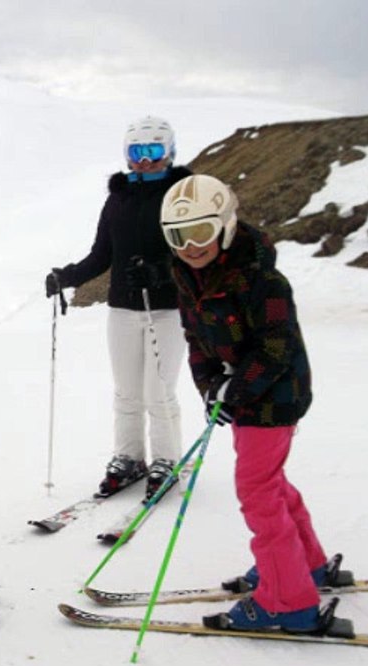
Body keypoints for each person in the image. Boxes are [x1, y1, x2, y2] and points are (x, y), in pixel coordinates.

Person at [160, 173, 335, 631]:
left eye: (200, 231)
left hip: (275, 396)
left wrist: (235, 391)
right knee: (269, 482)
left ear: (224, 225)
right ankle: (306, 565)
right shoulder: (188, 276)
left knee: (257, 491)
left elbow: (276, 347)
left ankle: (288, 600)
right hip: (246, 396)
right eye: (178, 236)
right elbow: (196, 340)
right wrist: (209, 385)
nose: (191, 245)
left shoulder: (262, 279)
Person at [45, 116, 192, 500]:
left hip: (167, 310)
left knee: (158, 390)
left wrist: (161, 272)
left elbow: (195, 254)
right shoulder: (117, 199)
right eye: (136, 152)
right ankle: (129, 458)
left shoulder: (181, 196)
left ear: (170, 152)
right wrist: (67, 276)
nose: (145, 160)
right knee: (127, 391)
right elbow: (102, 255)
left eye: (154, 151)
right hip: (122, 310)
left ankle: (166, 460)